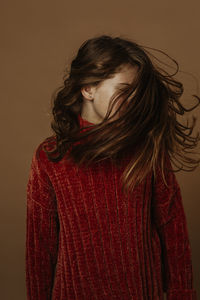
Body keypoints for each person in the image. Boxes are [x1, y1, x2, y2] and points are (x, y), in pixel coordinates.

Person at [25, 34, 200, 299]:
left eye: (138, 93)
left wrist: (182, 294)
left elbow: (173, 230)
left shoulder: (147, 150)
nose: (134, 102)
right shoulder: (51, 157)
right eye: (124, 91)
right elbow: (40, 249)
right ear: (88, 88)